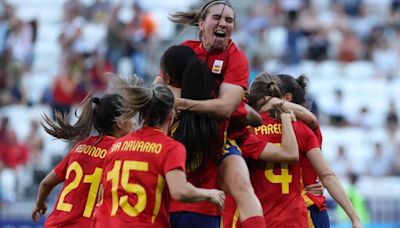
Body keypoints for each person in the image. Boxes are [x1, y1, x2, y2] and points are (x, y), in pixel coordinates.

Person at [159, 45, 298, 228]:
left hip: (167, 210)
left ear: (167, 77)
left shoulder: (163, 106)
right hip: (208, 210)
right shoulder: (221, 109)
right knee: (244, 190)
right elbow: (253, 118)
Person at [164, 1, 268, 226]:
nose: (223, 23)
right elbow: (161, 89)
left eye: (229, 20)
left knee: (242, 185)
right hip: (182, 134)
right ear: (201, 24)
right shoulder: (185, 51)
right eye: (217, 19)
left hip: (222, 137)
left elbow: (225, 108)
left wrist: (181, 102)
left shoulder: (236, 57)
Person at [94, 80, 225, 228]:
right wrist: (210, 194)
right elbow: (179, 191)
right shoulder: (170, 147)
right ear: (171, 114)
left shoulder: (117, 145)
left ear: (143, 113)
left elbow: (101, 195)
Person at [271, 73, 361, 228]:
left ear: (286, 99)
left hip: (304, 209)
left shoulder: (258, 129)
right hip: (291, 209)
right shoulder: (308, 127)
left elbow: (324, 174)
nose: (265, 102)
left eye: (270, 97)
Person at [31, 92, 134, 227]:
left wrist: (39, 204)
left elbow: (45, 183)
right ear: (119, 123)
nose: (134, 121)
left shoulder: (81, 146)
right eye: (131, 117)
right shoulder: (118, 151)